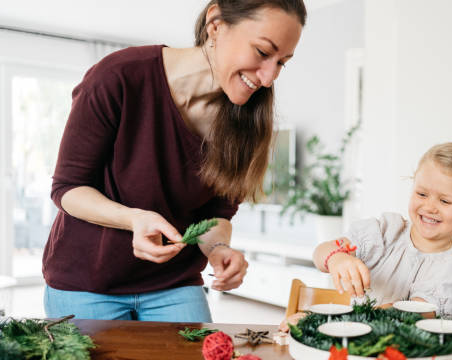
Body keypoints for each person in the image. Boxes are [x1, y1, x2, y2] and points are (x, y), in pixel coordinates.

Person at [43, 0, 307, 322]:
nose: (268, 78)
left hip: (174, 285)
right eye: (263, 53)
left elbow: (217, 213)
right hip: (86, 283)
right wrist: (134, 219)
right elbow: (68, 188)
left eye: (282, 63)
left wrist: (218, 249)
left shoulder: (249, 122)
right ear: (216, 24)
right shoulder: (118, 77)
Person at [280, 142, 452, 330]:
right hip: (356, 354)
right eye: (421, 194)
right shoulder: (385, 231)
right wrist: (337, 258)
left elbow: (407, 314)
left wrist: (319, 323)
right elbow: (321, 252)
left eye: (445, 201)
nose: (429, 207)